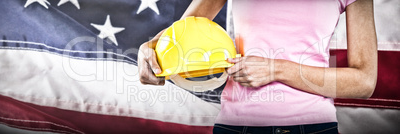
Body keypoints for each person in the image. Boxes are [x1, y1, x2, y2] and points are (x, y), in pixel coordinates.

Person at [138, 0, 377, 133]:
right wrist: (148, 48)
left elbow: (364, 82)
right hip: (235, 126)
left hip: (313, 127)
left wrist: (276, 69)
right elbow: (182, 34)